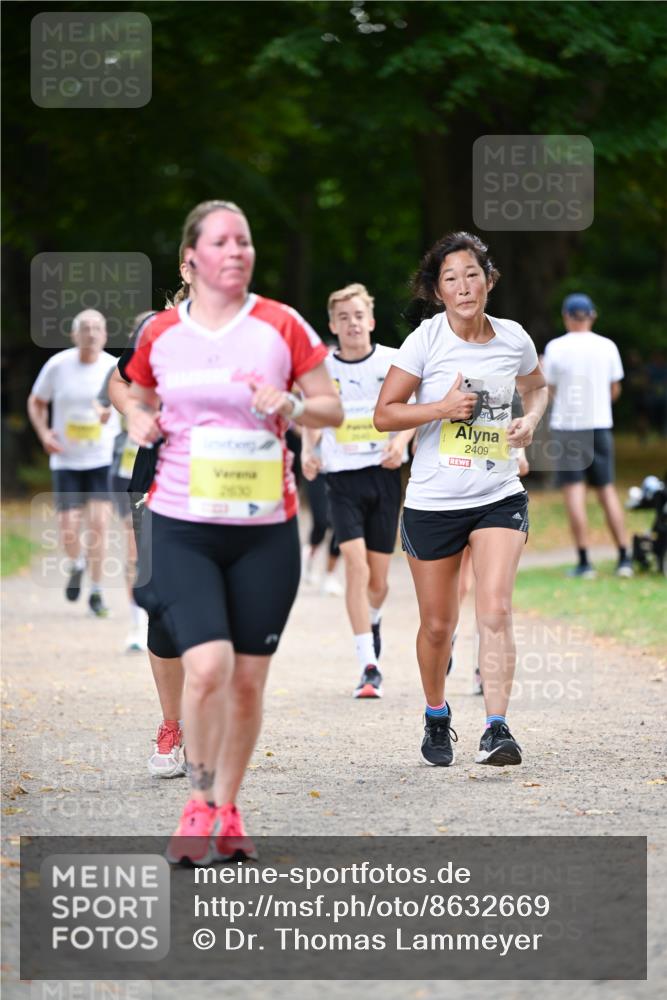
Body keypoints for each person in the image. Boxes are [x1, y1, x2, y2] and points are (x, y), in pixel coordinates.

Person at [125, 199, 343, 864]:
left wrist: (292, 405)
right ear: (191, 257)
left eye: (243, 241)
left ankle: (226, 804)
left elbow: (330, 408)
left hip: (264, 530)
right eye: (221, 241)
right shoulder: (162, 332)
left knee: (247, 681)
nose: (235, 251)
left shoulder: (281, 325)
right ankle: (196, 802)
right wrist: (138, 419)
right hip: (182, 524)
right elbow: (130, 390)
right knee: (208, 667)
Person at [374, 231, 548, 768]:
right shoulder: (425, 341)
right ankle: (436, 712)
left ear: (489, 280)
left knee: (494, 608)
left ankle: (497, 728)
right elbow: (385, 414)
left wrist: (529, 422)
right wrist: (442, 408)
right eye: (450, 278)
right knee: (438, 626)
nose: (463, 286)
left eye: (471, 274)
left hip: (498, 493)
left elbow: (537, 386)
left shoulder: (514, 337)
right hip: (433, 501)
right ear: (437, 290)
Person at [302, 283, 415, 699]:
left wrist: (400, 445)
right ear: (333, 325)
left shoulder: (391, 361)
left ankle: (374, 617)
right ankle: (368, 664)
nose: (351, 323)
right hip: (341, 478)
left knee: (379, 580)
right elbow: (310, 416)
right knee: (356, 567)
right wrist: (308, 451)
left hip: (383, 476)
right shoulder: (320, 369)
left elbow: (412, 410)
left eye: (357, 316)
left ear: (370, 320)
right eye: (342, 317)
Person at [106, 273, 190, 778]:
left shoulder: (249, 340)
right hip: (156, 480)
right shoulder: (158, 332)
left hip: (224, 484)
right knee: (161, 602)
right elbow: (119, 380)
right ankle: (172, 725)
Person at [27, 309, 120, 616]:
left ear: (105, 335)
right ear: (74, 334)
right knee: (68, 529)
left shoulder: (114, 368)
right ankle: (77, 563)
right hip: (66, 459)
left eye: (97, 328)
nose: (91, 334)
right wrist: (43, 433)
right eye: (85, 328)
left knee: (98, 525)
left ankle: (96, 591)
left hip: (102, 457)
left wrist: (113, 413)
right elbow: (36, 401)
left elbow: (132, 404)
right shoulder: (58, 365)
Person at [543, 293, 633, 578]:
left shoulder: (555, 348)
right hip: (600, 425)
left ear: (566, 316)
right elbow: (614, 389)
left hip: (568, 428)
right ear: (592, 315)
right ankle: (624, 558)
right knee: (607, 490)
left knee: (575, 493)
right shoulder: (607, 346)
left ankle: (584, 562)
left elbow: (551, 388)